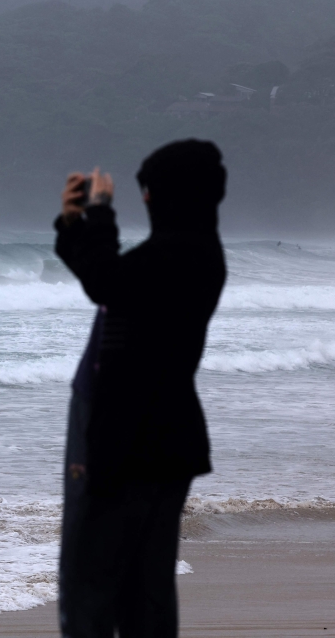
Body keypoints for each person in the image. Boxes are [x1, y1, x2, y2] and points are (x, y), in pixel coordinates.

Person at [54, 139, 227, 638]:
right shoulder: (196, 255)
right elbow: (106, 277)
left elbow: (106, 280)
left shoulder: (180, 257)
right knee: (143, 591)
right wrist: (73, 226)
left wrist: (101, 213)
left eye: (149, 191)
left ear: (174, 195)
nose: (145, 200)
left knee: (91, 585)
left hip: (126, 438)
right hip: (164, 441)